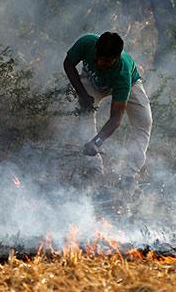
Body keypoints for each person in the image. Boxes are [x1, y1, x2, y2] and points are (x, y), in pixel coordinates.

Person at [63, 32, 152, 191]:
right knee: (85, 113)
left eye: (106, 61)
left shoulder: (122, 74)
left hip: (130, 85)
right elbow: (68, 64)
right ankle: (94, 168)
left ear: (116, 59)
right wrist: (83, 94)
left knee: (144, 122)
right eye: (98, 57)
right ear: (95, 49)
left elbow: (116, 118)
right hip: (93, 80)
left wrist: (97, 142)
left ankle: (129, 176)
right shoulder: (86, 42)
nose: (100, 63)